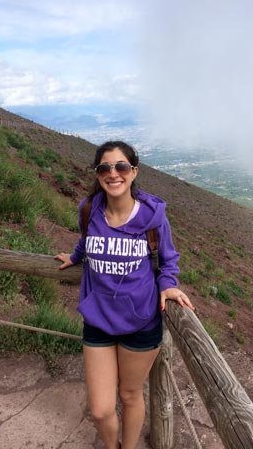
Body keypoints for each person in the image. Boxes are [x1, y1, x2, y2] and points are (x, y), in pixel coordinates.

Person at [55, 140, 194, 449]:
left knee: (130, 395)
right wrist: (75, 257)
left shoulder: (152, 218)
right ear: (97, 173)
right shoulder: (89, 209)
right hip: (98, 319)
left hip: (141, 321)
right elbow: (86, 239)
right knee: (101, 410)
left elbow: (168, 258)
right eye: (105, 167)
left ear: (133, 172)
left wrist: (168, 283)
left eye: (120, 167)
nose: (112, 173)